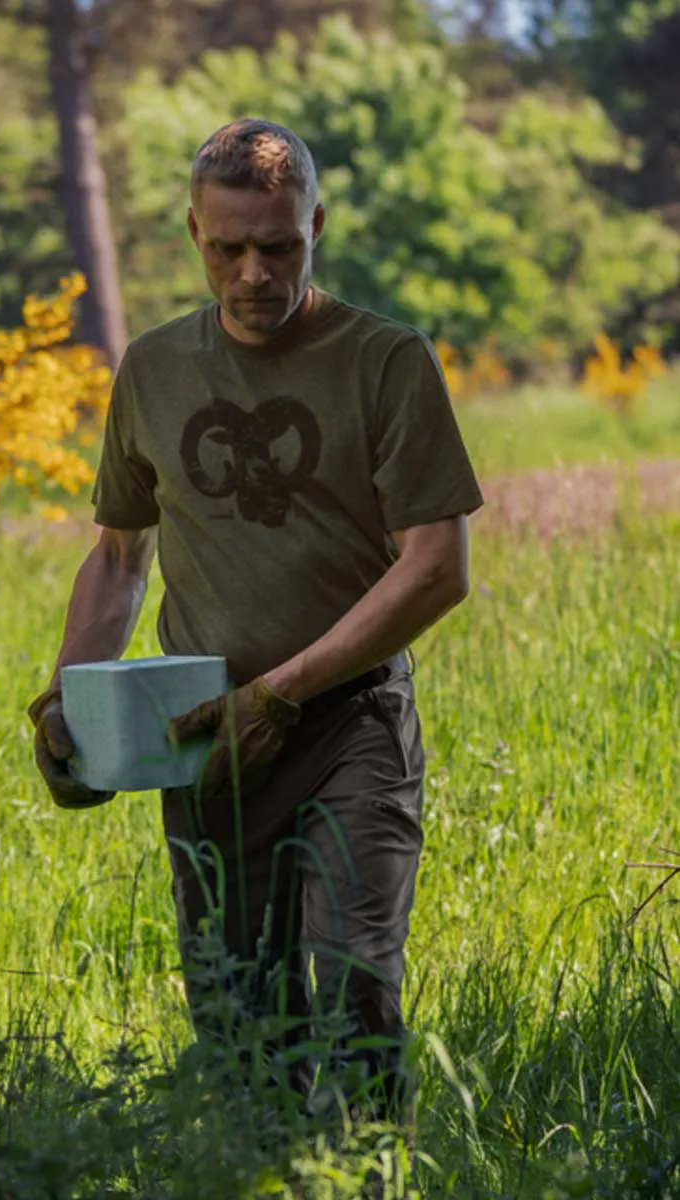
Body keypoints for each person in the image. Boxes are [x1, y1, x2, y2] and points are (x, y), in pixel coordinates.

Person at [28, 119, 483, 1124]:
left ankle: (369, 1178)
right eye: (228, 248)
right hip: (201, 740)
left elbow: (438, 568)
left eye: (278, 246)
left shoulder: (385, 360)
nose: (254, 272)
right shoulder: (151, 369)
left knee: (355, 982)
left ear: (316, 225)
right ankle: (263, 1178)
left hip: (351, 730)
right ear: (194, 233)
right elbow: (117, 554)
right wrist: (70, 692)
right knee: (241, 1025)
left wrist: (283, 690)